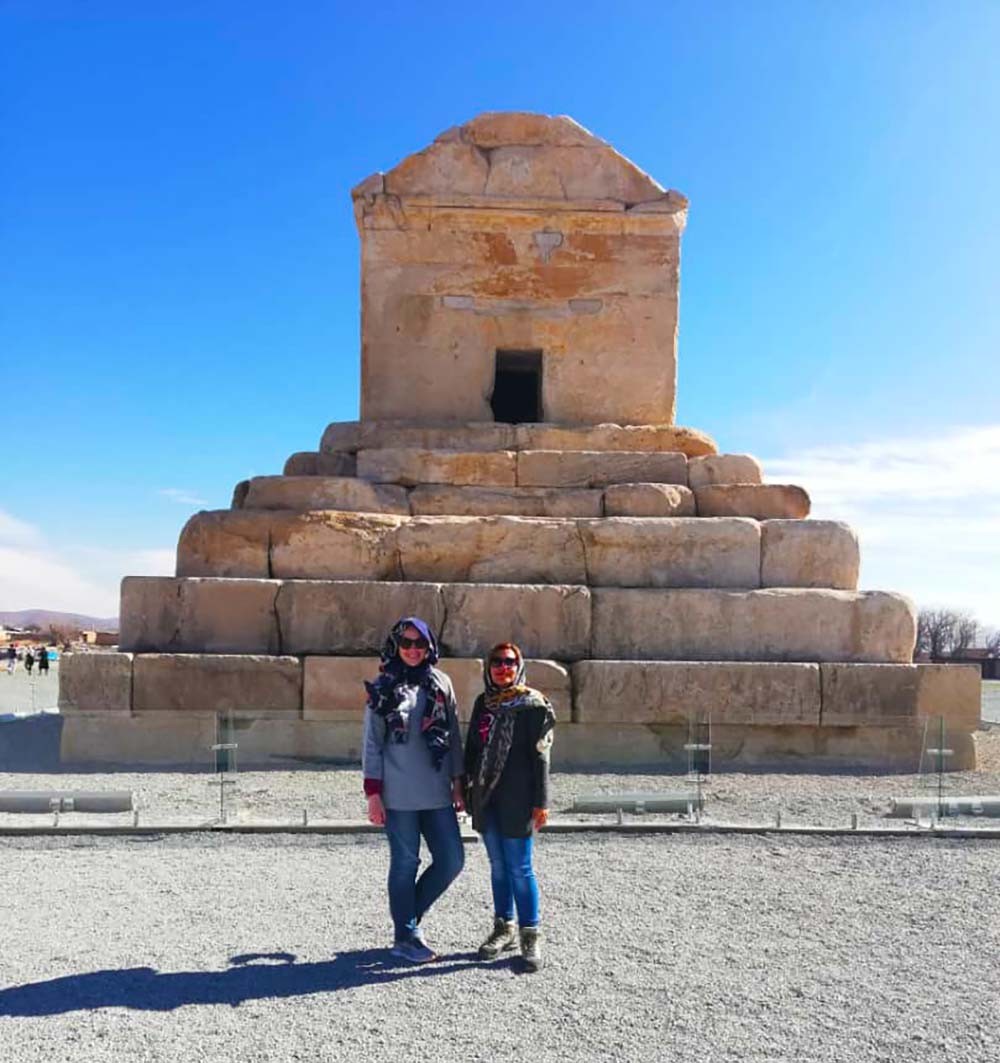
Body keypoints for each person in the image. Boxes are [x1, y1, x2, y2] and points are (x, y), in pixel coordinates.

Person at [362, 616, 465, 964]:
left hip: (436, 790)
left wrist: (458, 781)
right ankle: (405, 935)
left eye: (419, 644)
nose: (412, 650)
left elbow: (453, 735)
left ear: (429, 647)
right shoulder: (383, 686)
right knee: (405, 863)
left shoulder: (442, 683)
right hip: (398, 792)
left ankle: (407, 921)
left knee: (452, 859)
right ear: (395, 646)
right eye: (405, 643)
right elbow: (372, 742)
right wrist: (373, 793)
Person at [464, 642, 555, 973]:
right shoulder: (483, 703)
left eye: (510, 662)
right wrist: (463, 789)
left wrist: (541, 802)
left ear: (519, 666)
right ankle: (504, 927)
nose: (504, 668)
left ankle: (530, 931)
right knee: (498, 866)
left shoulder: (534, 706)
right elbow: (472, 748)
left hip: (518, 798)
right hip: (486, 798)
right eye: (497, 663)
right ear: (488, 669)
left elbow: (540, 756)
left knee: (520, 867)